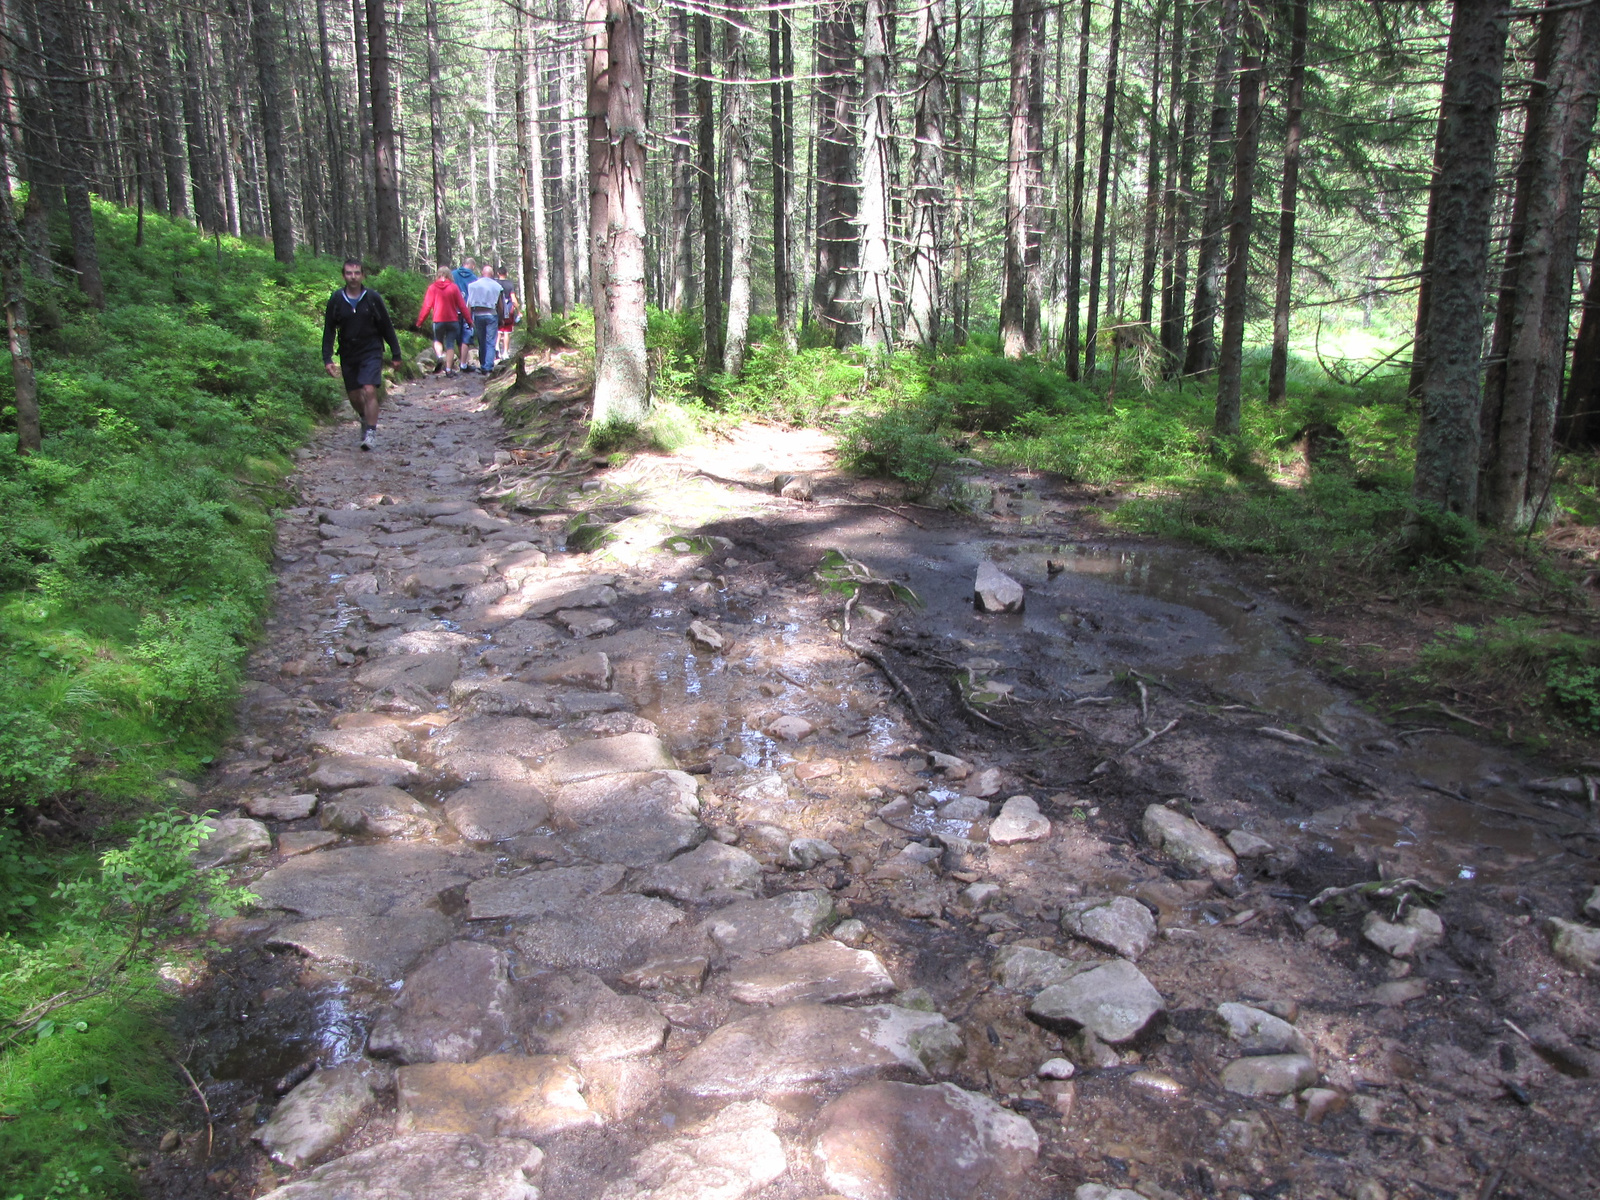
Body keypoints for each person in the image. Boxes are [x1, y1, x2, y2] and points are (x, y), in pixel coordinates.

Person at [321, 258, 402, 451]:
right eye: (349, 273)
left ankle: (371, 433)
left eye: (357, 273)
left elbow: (386, 327)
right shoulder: (337, 299)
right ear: (343, 275)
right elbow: (329, 329)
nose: (353, 277)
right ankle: (365, 418)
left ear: (363, 275)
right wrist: (327, 358)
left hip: (371, 350)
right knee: (355, 396)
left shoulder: (373, 298)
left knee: (369, 389)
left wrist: (396, 353)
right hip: (348, 352)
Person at [414, 265, 474, 377]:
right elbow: (462, 306)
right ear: (449, 275)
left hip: (438, 320)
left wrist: (420, 322)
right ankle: (448, 369)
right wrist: (469, 321)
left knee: (438, 340)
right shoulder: (454, 287)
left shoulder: (432, 288)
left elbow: (426, 307)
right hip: (453, 320)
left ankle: (440, 356)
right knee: (450, 344)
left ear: (438, 275)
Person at [466, 263, 506, 375]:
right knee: (490, 341)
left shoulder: (473, 286)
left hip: (478, 315)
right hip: (491, 314)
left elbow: (469, 303)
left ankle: (483, 364)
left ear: (482, 274)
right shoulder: (497, 286)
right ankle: (488, 366)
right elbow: (500, 304)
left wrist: (469, 319)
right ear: (492, 274)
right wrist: (502, 317)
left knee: (481, 340)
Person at [452, 256, 479, 368]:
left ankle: (460, 361)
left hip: (454, 310)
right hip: (467, 310)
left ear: (463, 264)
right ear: (472, 266)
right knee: (466, 337)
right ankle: (463, 363)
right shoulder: (474, 278)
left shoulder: (452, 274)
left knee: (458, 336)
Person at [496, 266, 520, 360]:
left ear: (498, 273)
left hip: (498, 310)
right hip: (509, 309)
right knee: (506, 331)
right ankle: (505, 352)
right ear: (506, 274)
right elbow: (513, 299)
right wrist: (518, 311)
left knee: (498, 330)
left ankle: (496, 347)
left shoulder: (495, 283)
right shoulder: (510, 284)